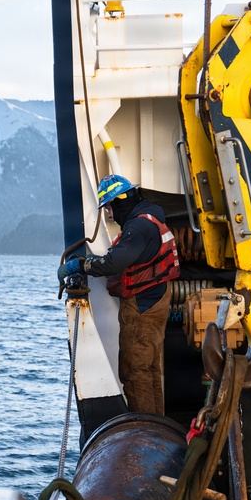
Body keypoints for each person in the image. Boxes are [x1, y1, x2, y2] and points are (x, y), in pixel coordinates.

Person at [57, 174, 180, 414]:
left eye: (109, 208)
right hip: (155, 300)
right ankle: (156, 423)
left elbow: (113, 263)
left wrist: (79, 265)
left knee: (134, 371)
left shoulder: (139, 227)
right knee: (149, 368)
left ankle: (144, 428)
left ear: (120, 202)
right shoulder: (151, 219)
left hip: (142, 305)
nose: (110, 215)